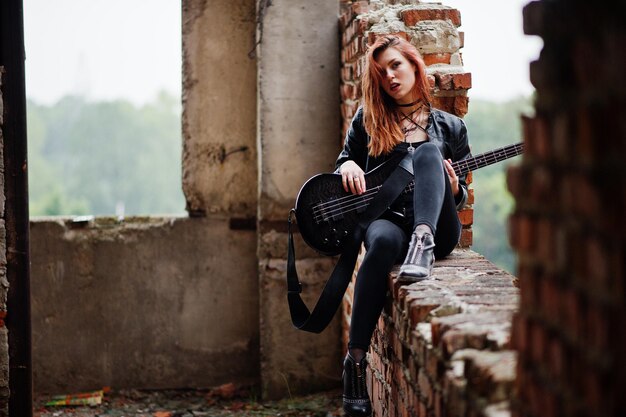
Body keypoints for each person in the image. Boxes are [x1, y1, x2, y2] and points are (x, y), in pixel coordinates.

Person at [336, 35, 471, 417]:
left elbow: (460, 201)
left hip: (437, 232)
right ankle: (356, 362)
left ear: (414, 65)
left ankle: (423, 242)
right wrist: (347, 165)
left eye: (396, 65)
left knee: (428, 152)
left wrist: (455, 188)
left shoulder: (451, 127)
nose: (390, 76)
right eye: (381, 73)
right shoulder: (369, 119)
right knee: (377, 243)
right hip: (390, 222)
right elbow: (345, 161)